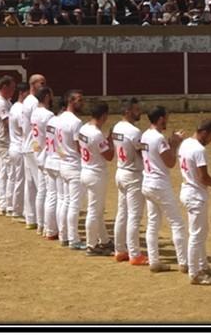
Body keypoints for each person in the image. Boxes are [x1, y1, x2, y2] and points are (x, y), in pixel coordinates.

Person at [140, 106, 188, 272]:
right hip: (159, 184)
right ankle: (184, 262)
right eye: (166, 117)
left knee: (153, 223)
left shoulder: (145, 135)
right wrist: (174, 144)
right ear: (160, 119)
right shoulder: (159, 139)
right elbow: (170, 162)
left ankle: (154, 260)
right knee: (177, 223)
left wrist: (170, 143)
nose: (167, 120)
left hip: (147, 182)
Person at [178, 119, 211, 285]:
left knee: (201, 232)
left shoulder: (186, 143)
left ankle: (202, 265)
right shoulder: (199, 150)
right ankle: (195, 273)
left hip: (187, 189)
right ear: (204, 132)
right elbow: (203, 177)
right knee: (197, 235)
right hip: (195, 194)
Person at [111, 98, 149, 265]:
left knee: (122, 213)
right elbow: (142, 154)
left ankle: (120, 250)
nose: (139, 112)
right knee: (134, 215)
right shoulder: (134, 132)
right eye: (136, 109)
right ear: (127, 112)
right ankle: (134, 254)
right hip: (133, 174)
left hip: (121, 171)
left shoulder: (116, 127)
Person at [78, 102, 115, 256]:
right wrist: (111, 140)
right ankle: (91, 245)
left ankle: (104, 240)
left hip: (85, 170)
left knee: (97, 210)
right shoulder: (96, 134)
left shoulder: (83, 129)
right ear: (104, 115)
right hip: (95, 174)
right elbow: (109, 156)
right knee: (94, 211)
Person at [57, 90, 86, 250]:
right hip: (74, 165)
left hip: (63, 164)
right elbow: (78, 147)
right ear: (70, 101)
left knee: (65, 201)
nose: (82, 103)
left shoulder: (59, 119)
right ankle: (73, 238)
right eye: (79, 100)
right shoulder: (76, 122)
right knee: (74, 203)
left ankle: (64, 235)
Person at [30, 86, 57, 238]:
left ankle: (41, 225)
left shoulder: (34, 113)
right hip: (47, 155)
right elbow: (52, 138)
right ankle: (49, 227)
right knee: (51, 194)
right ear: (47, 97)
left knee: (42, 191)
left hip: (37, 152)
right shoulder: (48, 115)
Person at [22, 74, 47, 231]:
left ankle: (31, 218)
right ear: (33, 84)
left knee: (30, 184)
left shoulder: (27, 101)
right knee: (40, 185)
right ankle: (43, 222)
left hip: (27, 144)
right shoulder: (35, 103)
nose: (44, 85)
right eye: (41, 83)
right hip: (34, 146)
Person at [0, 76, 14, 215]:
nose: (13, 91)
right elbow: (7, 123)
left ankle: (3, 203)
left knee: (4, 172)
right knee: (11, 172)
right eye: (11, 88)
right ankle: (7, 204)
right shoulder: (0, 103)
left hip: (4, 140)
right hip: (4, 141)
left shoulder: (5, 101)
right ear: (4, 87)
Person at [8, 82, 29, 219]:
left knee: (14, 178)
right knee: (20, 180)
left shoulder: (14, 106)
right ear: (22, 93)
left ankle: (11, 206)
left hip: (13, 145)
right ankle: (17, 210)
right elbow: (24, 129)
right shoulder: (21, 109)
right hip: (20, 147)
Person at [44, 99, 65, 240]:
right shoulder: (63, 123)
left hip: (49, 159)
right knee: (62, 199)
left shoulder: (51, 121)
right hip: (58, 162)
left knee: (51, 196)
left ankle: (50, 229)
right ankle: (64, 233)